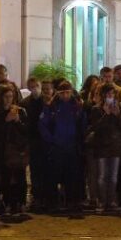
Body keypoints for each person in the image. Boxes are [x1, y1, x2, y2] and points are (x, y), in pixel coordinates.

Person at [0, 84, 29, 214]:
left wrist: (17, 121)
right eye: (6, 96)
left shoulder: (20, 111)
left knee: (18, 177)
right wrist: (6, 120)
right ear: (0, 97)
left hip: (15, 150)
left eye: (11, 96)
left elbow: (26, 131)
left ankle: (18, 203)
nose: (9, 99)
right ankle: (0, 203)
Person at [39, 82, 85, 211]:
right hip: (56, 147)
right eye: (62, 93)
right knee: (53, 176)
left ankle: (72, 201)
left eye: (68, 92)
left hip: (71, 146)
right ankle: (53, 202)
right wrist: (51, 140)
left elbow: (82, 124)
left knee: (72, 176)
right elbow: (43, 125)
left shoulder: (76, 106)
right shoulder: (51, 107)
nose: (65, 95)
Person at [87, 83, 121, 212]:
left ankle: (112, 200)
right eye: (108, 94)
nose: (110, 96)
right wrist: (105, 114)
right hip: (102, 146)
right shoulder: (96, 109)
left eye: (112, 94)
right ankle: (101, 201)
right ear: (103, 95)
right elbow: (95, 128)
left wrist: (117, 115)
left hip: (115, 146)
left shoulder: (119, 108)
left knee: (113, 176)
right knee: (102, 175)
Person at [20, 77, 48, 210]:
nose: (34, 89)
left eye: (36, 85)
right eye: (32, 86)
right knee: (35, 169)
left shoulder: (47, 101)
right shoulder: (25, 103)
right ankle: (37, 196)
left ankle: (45, 196)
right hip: (33, 139)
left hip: (46, 140)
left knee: (45, 169)